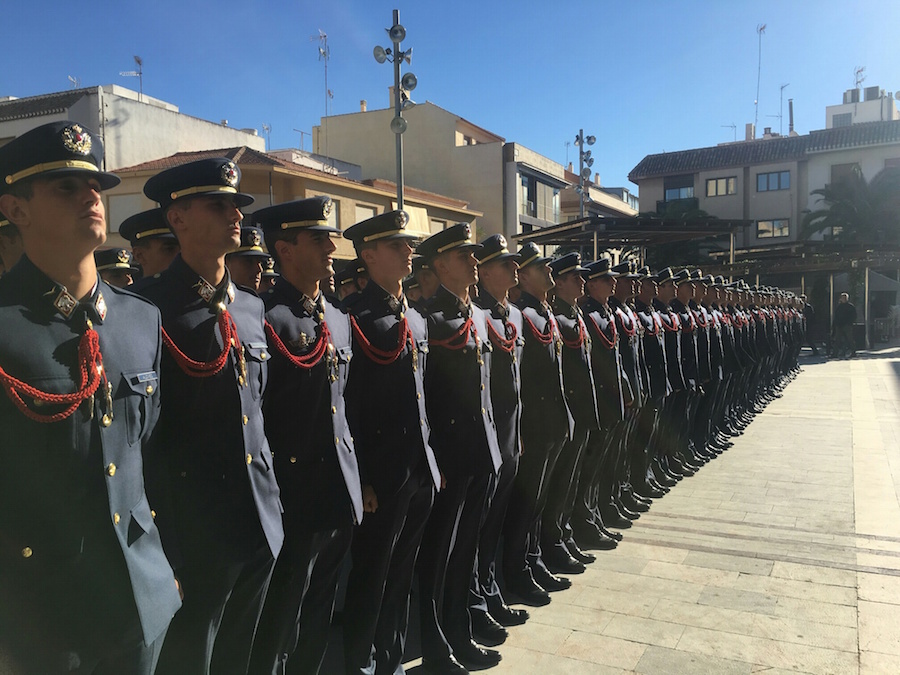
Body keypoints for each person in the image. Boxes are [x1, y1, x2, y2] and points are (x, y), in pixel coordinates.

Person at [0, 120, 181, 673]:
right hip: (40, 619)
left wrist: (163, 566)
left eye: (96, 187)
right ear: (16, 209)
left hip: (138, 600)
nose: (90, 198)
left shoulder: (139, 320)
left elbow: (148, 456)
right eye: (65, 187)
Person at [138, 157, 284, 675]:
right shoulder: (149, 309)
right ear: (177, 218)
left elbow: (258, 412)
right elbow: (146, 441)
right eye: (218, 205)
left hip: (259, 516)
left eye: (236, 205)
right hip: (196, 528)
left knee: (240, 657)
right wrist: (165, 547)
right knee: (191, 659)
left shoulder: (249, 308)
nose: (235, 214)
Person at [249, 197, 363, 675]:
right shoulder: (264, 319)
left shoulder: (336, 319)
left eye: (329, 237)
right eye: (318, 239)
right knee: (281, 621)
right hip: (293, 499)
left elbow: (346, 408)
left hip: (340, 489)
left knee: (318, 611)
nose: (331, 247)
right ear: (284, 249)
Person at [341, 210, 441, 675]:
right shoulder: (354, 320)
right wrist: (360, 478)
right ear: (369, 255)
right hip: (381, 474)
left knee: (401, 574)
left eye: (408, 244)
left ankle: (392, 661)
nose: (408, 252)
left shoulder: (413, 317)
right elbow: (349, 408)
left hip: (418, 467)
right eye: (397, 245)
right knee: (372, 577)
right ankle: (361, 662)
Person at [414, 223, 503, 673]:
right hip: (450, 458)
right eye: (465, 256)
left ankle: (460, 632)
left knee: (464, 552)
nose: (474, 261)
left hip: (479, 452)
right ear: (441, 264)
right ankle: (435, 645)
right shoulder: (430, 321)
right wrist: (434, 459)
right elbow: (424, 399)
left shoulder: (478, 315)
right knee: (439, 556)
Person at [502, 242, 574, 607]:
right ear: (526, 276)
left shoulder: (543, 313)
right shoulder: (523, 314)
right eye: (541, 267)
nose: (550, 272)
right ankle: (517, 570)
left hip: (552, 423)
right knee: (524, 506)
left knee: (539, 502)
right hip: (532, 426)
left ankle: (533, 560)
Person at [470, 234, 529, 636]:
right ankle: (476, 600)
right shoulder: (476, 315)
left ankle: (490, 591)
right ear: (485, 271)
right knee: (477, 528)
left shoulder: (516, 316)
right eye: (505, 264)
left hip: (511, 437)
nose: (515, 269)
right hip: (485, 439)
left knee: (495, 523)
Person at [118, 207, 180, 287]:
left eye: (184, 249)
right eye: (169, 249)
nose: (180, 256)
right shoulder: (131, 298)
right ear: (139, 255)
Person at [226, 224, 270, 292]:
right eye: (249, 262)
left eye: (260, 262)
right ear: (226, 263)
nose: (259, 269)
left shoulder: (258, 302)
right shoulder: (214, 300)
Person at [833, 292, 857, 358]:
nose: (843, 299)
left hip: (847, 325)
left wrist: (849, 323)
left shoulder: (850, 306)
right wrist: (836, 324)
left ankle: (853, 352)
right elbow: (836, 315)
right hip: (839, 325)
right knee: (837, 340)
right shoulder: (839, 306)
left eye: (844, 298)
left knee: (850, 339)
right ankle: (835, 353)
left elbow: (853, 316)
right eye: (842, 298)